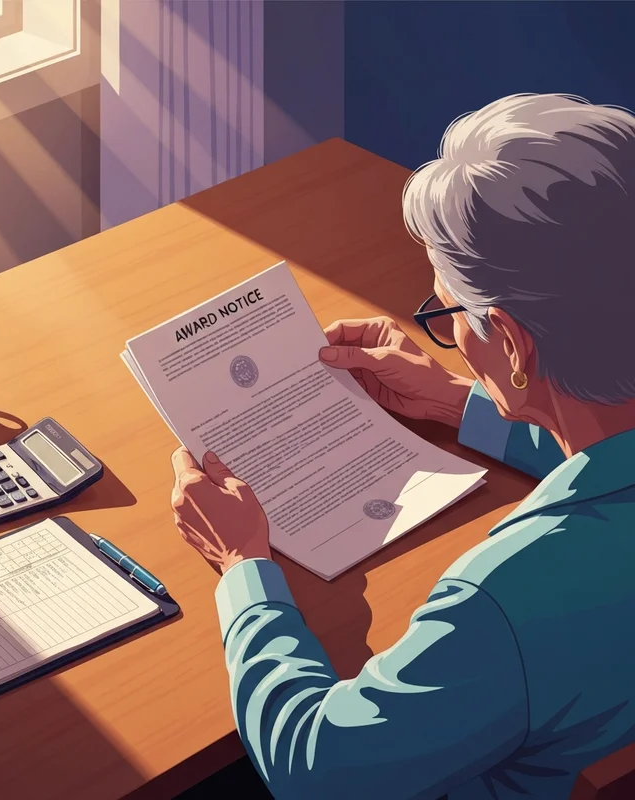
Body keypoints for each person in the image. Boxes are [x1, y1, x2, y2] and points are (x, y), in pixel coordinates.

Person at [169, 93, 635, 799]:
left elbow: (315, 767)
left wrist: (243, 571)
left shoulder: (507, 599)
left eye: (448, 312)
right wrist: (456, 403)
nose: (446, 332)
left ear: (510, 341)